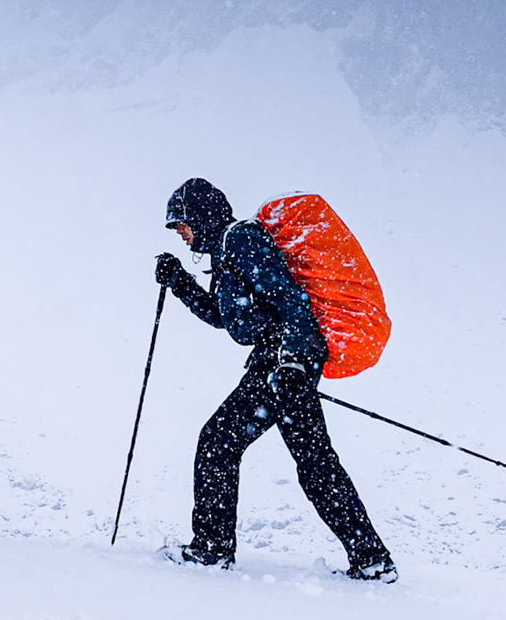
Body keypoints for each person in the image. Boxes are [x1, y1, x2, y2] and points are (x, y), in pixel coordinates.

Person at [153, 178, 397, 581]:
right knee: (315, 463)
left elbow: (290, 298)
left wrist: (293, 363)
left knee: (218, 442)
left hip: (282, 362)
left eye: (181, 223)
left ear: (201, 215)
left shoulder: (241, 239)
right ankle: (372, 559)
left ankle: (212, 549)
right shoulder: (226, 251)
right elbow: (228, 317)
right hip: (285, 361)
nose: (180, 232)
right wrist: (180, 281)